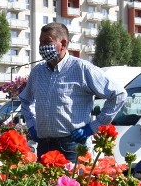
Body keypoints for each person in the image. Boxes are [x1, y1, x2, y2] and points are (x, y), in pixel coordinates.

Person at [19, 22, 126, 163]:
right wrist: (32, 125)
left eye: (47, 42)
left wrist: (92, 128)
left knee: (72, 184)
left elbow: (118, 95)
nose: (42, 47)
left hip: (72, 146)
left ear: (63, 43)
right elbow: (26, 101)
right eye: (41, 42)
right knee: (44, 185)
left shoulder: (81, 69)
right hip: (44, 145)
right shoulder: (38, 72)